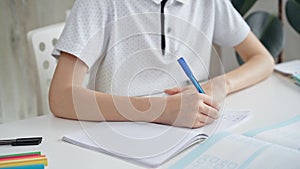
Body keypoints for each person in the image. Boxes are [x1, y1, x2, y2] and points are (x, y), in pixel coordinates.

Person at [49, 0, 274, 128]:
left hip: (191, 136)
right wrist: (162, 110)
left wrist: (219, 86)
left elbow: (263, 59)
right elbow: (61, 97)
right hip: (119, 134)